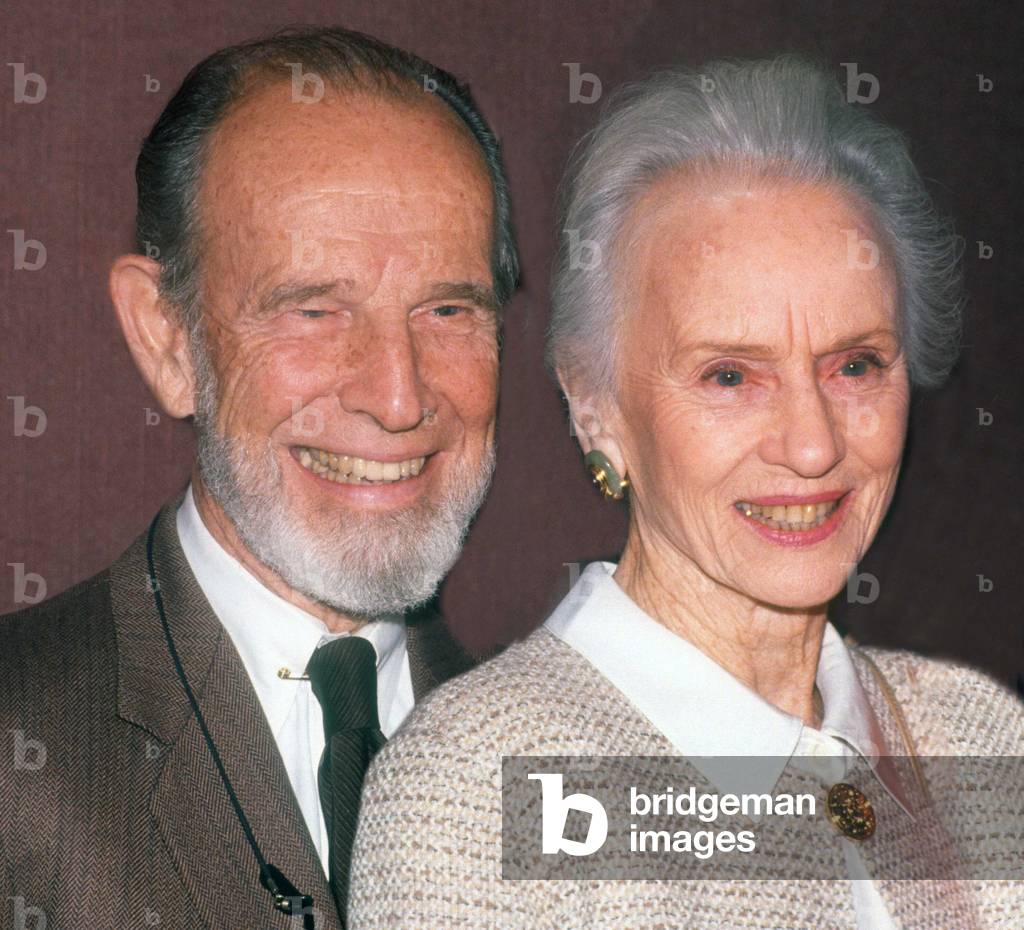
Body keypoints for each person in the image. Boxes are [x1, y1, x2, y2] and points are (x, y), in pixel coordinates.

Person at [348, 55, 1023, 929]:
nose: (813, 445)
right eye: (730, 376)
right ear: (595, 406)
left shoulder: (981, 739)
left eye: (855, 365)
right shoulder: (479, 789)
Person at [0, 25, 517, 930]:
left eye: (446, 309)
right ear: (168, 340)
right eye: (315, 309)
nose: (399, 398)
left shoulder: (577, 767)